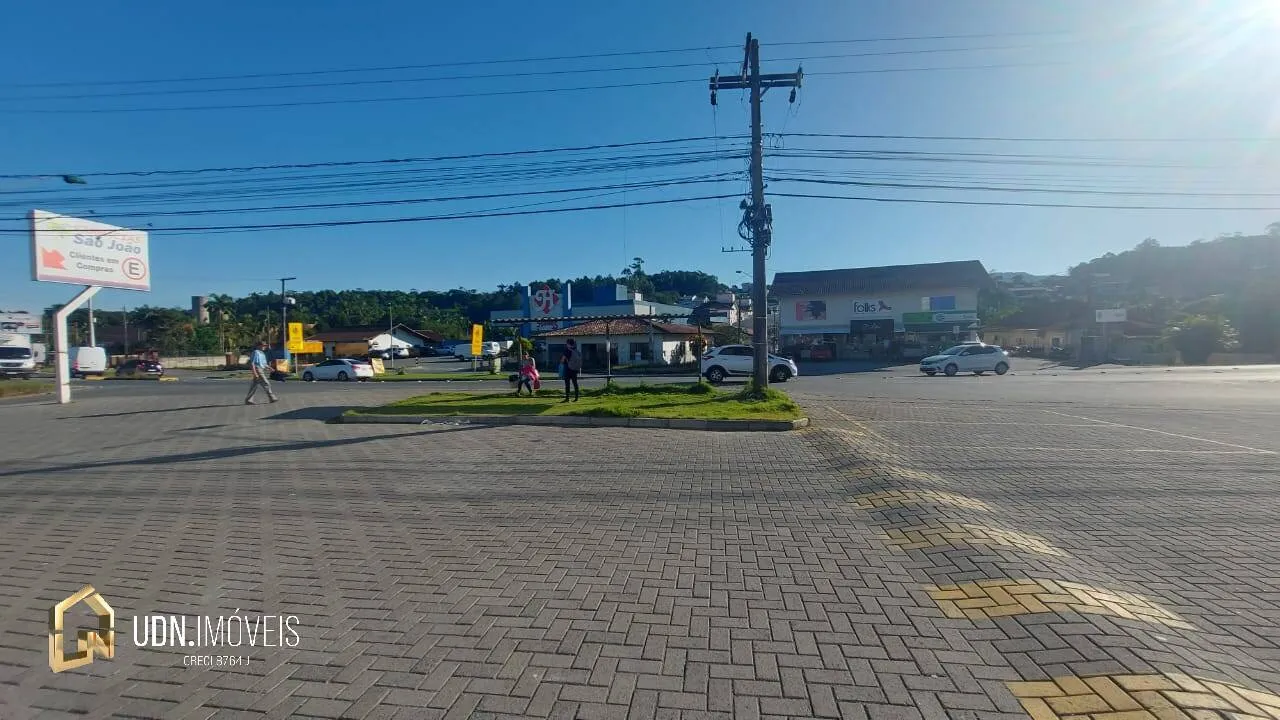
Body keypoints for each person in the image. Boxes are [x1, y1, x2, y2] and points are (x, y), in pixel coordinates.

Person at [245, 341, 278, 405]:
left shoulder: (262, 353)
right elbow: (252, 363)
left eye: (265, 346)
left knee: (254, 386)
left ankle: (248, 400)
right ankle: (272, 397)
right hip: (258, 369)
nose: (264, 347)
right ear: (258, 346)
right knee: (266, 383)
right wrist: (255, 373)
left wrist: (270, 368)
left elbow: (264, 364)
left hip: (261, 369)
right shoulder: (256, 352)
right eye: (263, 346)